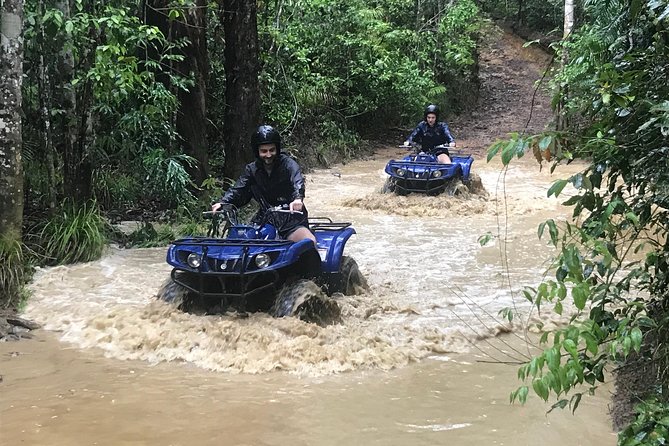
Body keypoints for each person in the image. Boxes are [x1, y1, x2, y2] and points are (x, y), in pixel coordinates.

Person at [211, 125, 317, 245]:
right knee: (242, 242)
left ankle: (316, 263)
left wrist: (298, 198)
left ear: (277, 149)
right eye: (264, 151)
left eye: (272, 150)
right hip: (265, 219)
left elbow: (297, 181)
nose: (268, 155)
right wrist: (223, 202)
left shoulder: (288, 165)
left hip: (291, 218)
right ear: (257, 151)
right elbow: (238, 189)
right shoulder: (252, 169)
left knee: (309, 242)